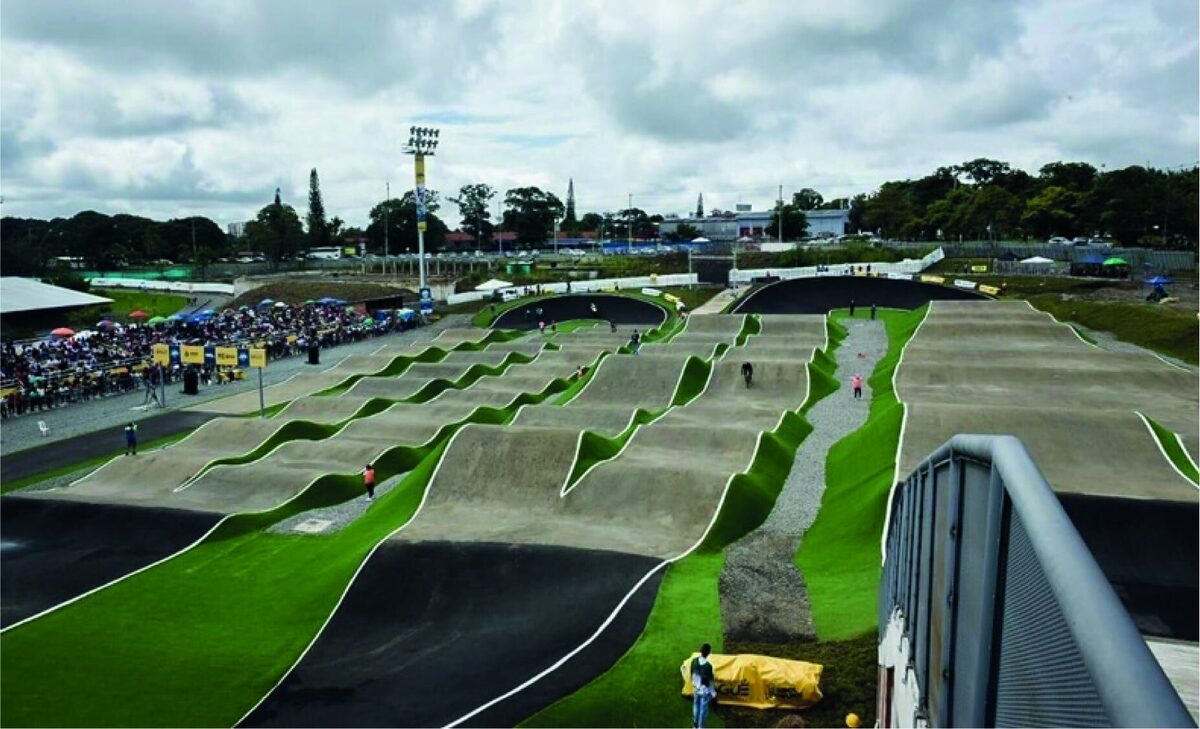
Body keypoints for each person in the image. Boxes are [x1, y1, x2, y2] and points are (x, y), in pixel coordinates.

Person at [690, 643, 716, 728]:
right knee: (703, 711)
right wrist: (713, 693)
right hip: (704, 691)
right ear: (708, 653)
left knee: (695, 707)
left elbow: (692, 674)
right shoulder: (708, 666)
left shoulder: (694, 661)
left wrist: (694, 684)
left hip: (696, 688)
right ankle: (701, 727)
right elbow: (710, 681)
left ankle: (695, 726)